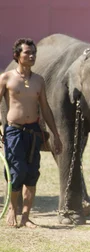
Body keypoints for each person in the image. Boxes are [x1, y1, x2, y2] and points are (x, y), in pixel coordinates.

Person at [0, 38, 63, 228]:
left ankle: (26, 216)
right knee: (16, 173)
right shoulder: (6, 78)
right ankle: (13, 210)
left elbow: (45, 108)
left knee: (32, 174)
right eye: (27, 52)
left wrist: (56, 135)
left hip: (34, 131)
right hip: (14, 132)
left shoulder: (39, 80)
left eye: (33, 52)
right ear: (17, 56)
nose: (32, 55)